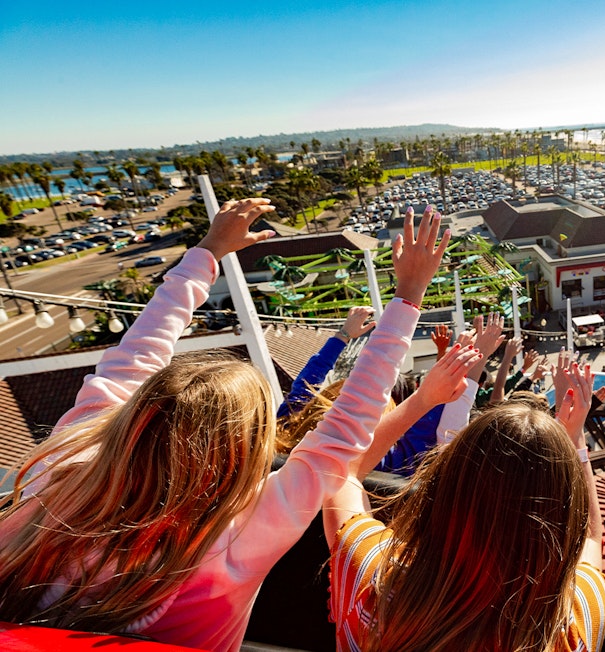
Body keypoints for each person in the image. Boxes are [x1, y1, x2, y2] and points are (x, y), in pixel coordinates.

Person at [0, 200, 450, 652]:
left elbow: (134, 358)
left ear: (136, 415)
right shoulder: (237, 538)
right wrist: (409, 295)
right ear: (247, 450)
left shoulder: (65, 461)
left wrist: (208, 250)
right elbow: (345, 428)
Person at [325, 361, 605, 652]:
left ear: (442, 483)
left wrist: (423, 399)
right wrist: (573, 441)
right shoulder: (572, 623)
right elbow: (589, 537)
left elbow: (340, 475)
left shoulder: (372, 578)